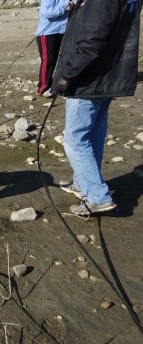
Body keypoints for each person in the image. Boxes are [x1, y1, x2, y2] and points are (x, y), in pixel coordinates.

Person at [53, 0, 141, 215]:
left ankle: (97, 197)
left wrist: (66, 75)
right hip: (103, 80)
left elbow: (91, 41)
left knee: (75, 140)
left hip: (89, 82)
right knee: (92, 136)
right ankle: (83, 185)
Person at [35, 0, 70, 98]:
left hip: (64, 31)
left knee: (65, 59)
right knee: (49, 61)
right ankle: (43, 88)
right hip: (48, 33)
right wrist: (65, 6)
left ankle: (62, 86)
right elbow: (48, 12)